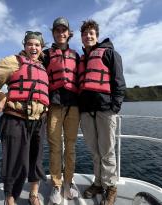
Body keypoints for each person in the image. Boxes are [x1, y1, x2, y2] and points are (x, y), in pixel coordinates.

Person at [0, 31, 49, 205]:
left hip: (39, 121)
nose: (34, 47)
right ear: (24, 46)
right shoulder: (13, 61)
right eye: (30, 44)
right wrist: (0, 96)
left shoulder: (42, 66)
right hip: (16, 118)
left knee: (36, 160)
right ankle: (9, 199)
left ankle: (33, 194)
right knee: (13, 162)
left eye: (37, 45)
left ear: (41, 48)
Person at [78, 20, 126, 205]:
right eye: (85, 34)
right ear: (81, 38)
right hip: (86, 112)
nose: (88, 36)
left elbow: (119, 82)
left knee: (107, 151)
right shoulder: (82, 60)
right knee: (94, 152)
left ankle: (111, 186)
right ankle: (98, 183)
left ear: (96, 35)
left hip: (105, 110)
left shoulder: (109, 53)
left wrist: (115, 107)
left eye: (91, 33)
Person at [43, 17, 80, 204]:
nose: (61, 33)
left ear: (68, 33)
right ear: (53, 33)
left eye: (63, 30)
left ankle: (69, 181)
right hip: (54, 105)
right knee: (55, 147)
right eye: (57, 30)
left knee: (71, 146)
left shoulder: (77, 55)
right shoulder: (46, 54)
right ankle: (56, 184)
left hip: (73, 105)